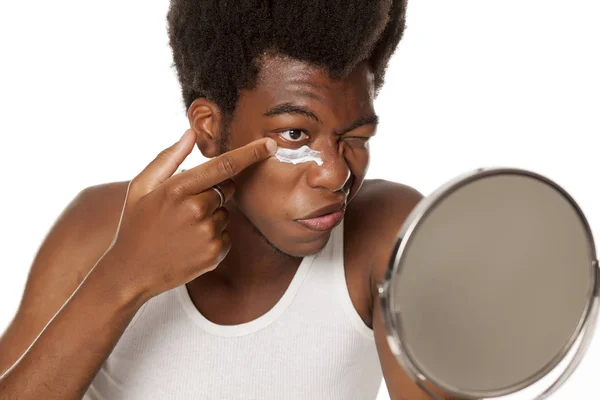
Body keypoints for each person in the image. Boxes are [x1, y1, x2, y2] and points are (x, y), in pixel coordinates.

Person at [0, 1, 453, 399]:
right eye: (295, 134)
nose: (336, 174)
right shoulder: (97, 227)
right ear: (210, 128)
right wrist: (123, 276)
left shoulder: (385, 234)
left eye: (356, 136)